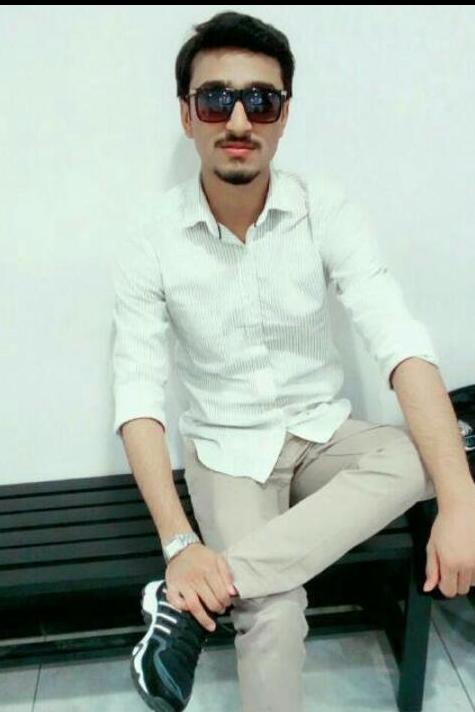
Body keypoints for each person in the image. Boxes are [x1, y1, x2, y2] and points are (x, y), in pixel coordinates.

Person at [111, 10, 475, 712]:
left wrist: (461, 504)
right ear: (186, 115)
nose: (238, 120)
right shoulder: (150, 239)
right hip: (228, 450)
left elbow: (399, 343)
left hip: (321, 432)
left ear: (283, 115)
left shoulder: (324, 209)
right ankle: (209, 588)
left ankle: (182, 609)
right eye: (215, 99)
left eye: (260, 100)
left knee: (431, 454)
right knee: (272, 611)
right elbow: (138, 397)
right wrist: (180, 543)